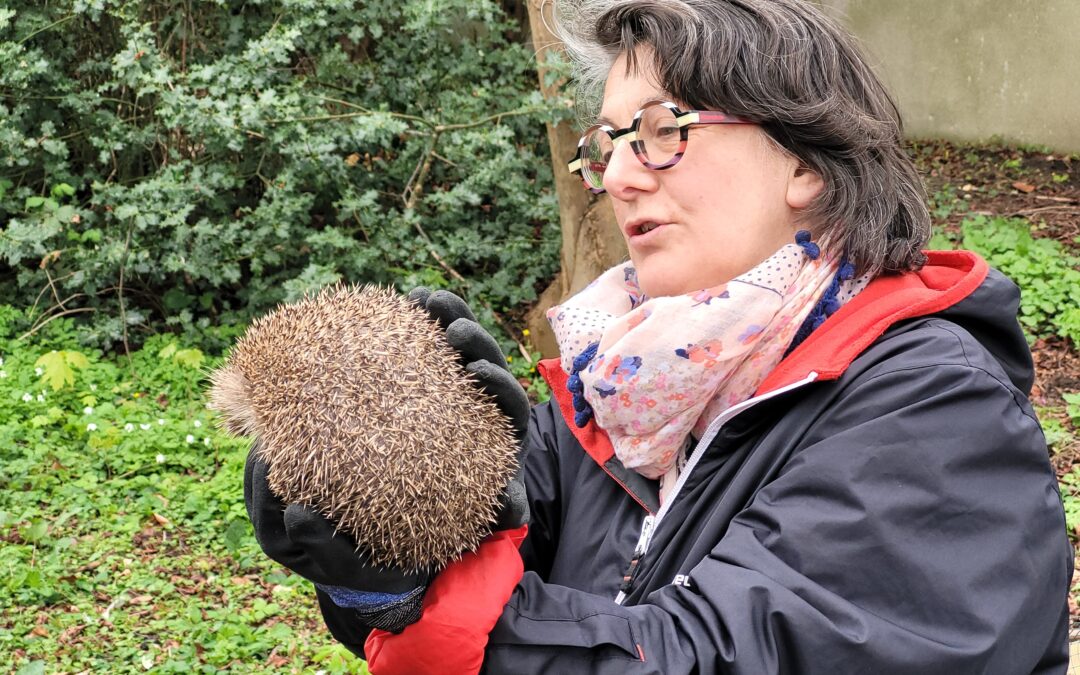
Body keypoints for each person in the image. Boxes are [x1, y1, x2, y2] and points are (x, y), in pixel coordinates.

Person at [244, 0, 1073, 672]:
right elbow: (464, 577)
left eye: (663, 132)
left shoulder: (938, 410)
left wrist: (421, 605)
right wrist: (378, 535)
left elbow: (714, 654)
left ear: (806, 160)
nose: (618, 174)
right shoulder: (622, 378)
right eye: (607, 145)